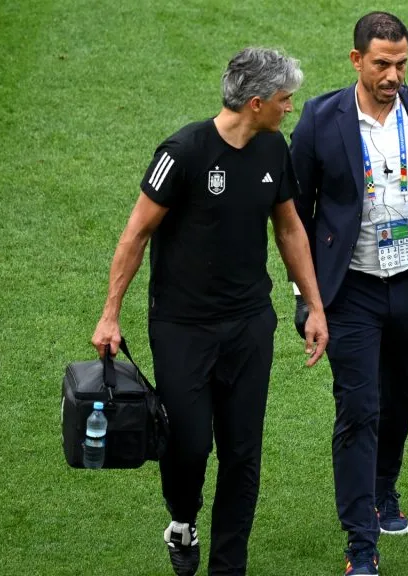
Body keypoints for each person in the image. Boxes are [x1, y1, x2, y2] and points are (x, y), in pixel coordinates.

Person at [91, 48, 327, 576]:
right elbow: (136, 234)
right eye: (285, 99)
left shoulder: (274, 149)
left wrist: (313, 305)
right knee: (190, 443)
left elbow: (290, 229)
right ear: (256, 102)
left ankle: (228, 566)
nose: (290, 107)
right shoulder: (183, 152)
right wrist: (110, 314)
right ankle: (182, 518)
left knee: (242, 453)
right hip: (182, 327)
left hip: (249, 324)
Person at [289, 11, 408, 576]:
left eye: (402, 63)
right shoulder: (319, 120)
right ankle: (360, 544)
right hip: (351, 291)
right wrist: (307, 297)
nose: (394, 75)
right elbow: (295, 216)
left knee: (401, 393)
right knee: (358, 409)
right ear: (356, 59)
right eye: (383, 64)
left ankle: (385, 488)